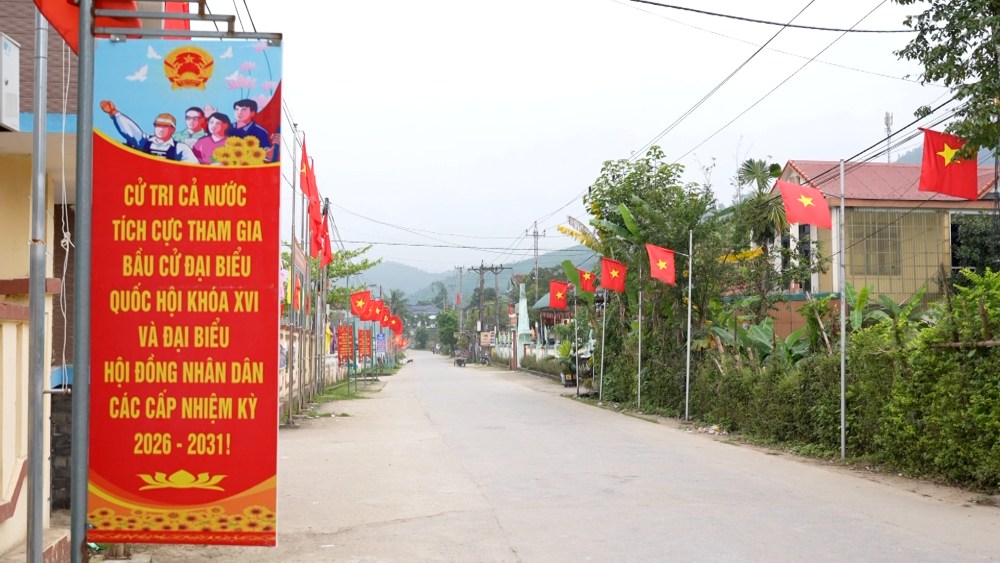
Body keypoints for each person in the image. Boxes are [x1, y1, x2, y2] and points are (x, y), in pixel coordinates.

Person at [99, 100, 197, 163]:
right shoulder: (145, 141)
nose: (161, 129)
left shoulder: (180, 148)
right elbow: (131, 131)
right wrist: (114, 113)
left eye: (165, 126)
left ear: (172, 129)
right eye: (158, 125)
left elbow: (191, 168)